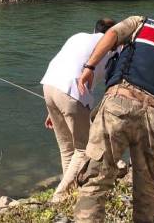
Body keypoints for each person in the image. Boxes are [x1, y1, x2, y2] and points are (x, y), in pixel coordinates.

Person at [73, 4, 154, 223]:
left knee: (95, 182)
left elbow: (112, 34)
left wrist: (89, 67)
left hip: (118, 105)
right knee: (147, 193)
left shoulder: (140, 24)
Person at [40, 18, 117, 202]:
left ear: (94, 29)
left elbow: (67, 63)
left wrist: (53, 110)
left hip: (49, 87)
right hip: (72, 92)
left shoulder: (78, 36)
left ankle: (69, 191)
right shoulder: (112, 48)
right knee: (84, 149)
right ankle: (59, 196)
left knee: (67, 150)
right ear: (113, 34)